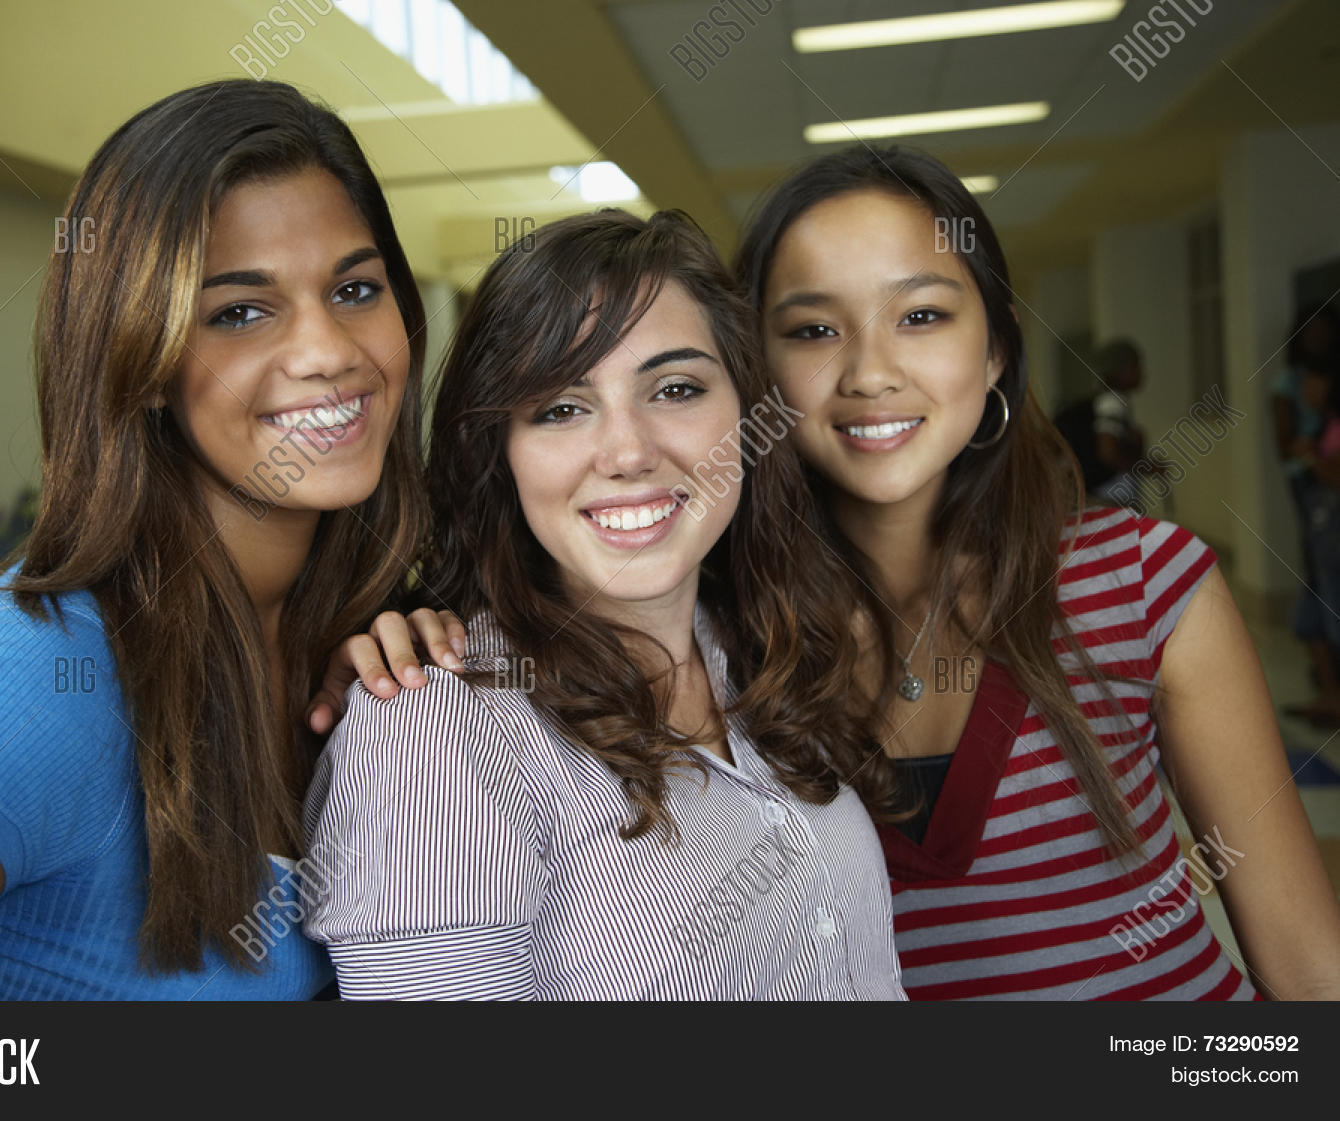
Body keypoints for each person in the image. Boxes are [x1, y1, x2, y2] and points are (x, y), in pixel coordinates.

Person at [338, 147, 1340, 1000]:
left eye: (924, 316)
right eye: (813, 329)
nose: (868, 370)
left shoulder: (1133, 581)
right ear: (760, 376)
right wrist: (408, 641)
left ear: (996, 348)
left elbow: (1304, 961)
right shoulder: (728, 618)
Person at [0, 79, 429, 1000]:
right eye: (238, 310)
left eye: (355, 288)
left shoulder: (360, 641)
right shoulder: (38, 679)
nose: (327, 349)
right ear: (142, 362)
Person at [301, 209, 907, 1000]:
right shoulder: (436, 727)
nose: (627, 451)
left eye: (677, 388)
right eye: (560, 407)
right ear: (499, 452)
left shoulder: (760, 652)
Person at [1272, 302, 1340, 725]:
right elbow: (1285, 445)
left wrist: (1313, 456)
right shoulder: (1288, 384)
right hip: (1316, 505)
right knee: (1316, 592)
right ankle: (1329, 691)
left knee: (1324, 593)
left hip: (1328, 506)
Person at [1054, 339, 1156, 510]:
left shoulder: (1104, 401)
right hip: (1111, 499)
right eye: (1136, 366)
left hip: (1100, 497)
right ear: (1120, 370)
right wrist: (1145, 466)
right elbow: (1108, 452)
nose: (1141, 372)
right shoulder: (1112, 403)